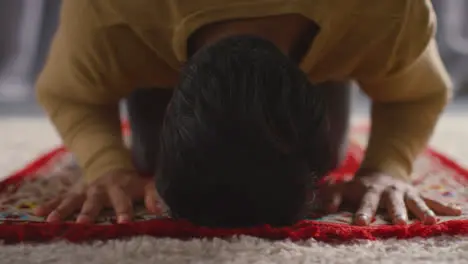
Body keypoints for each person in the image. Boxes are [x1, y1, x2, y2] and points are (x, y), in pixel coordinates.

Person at [34, 0, 462, 227]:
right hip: (149, 48)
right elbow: (69, 93)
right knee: (143, 162)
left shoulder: (384, 12)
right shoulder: (108, 17)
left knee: (325, 159)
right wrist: (106, 166)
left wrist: (384, 168)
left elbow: (417, 92)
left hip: (333, 39)